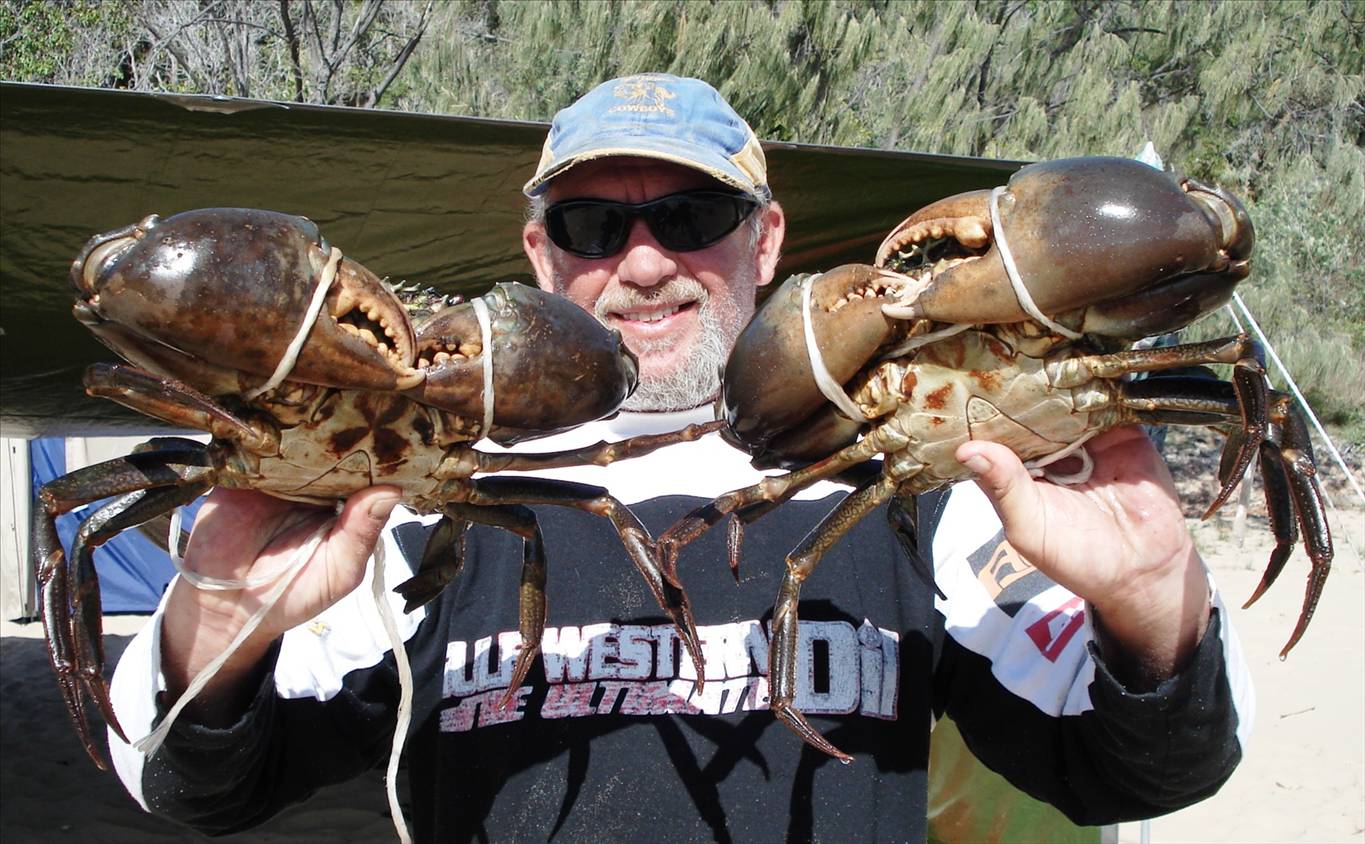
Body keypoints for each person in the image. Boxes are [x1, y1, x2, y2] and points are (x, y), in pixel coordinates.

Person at [107, 73, 1251, 842]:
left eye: (692, 215)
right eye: (594, 227)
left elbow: (1141, 772)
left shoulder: (926, 479)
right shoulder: (415, 492)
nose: (643, 264)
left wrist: (1154, 606)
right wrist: (223, 621)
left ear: (768, 238)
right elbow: (199, 788)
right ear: (537, 254)